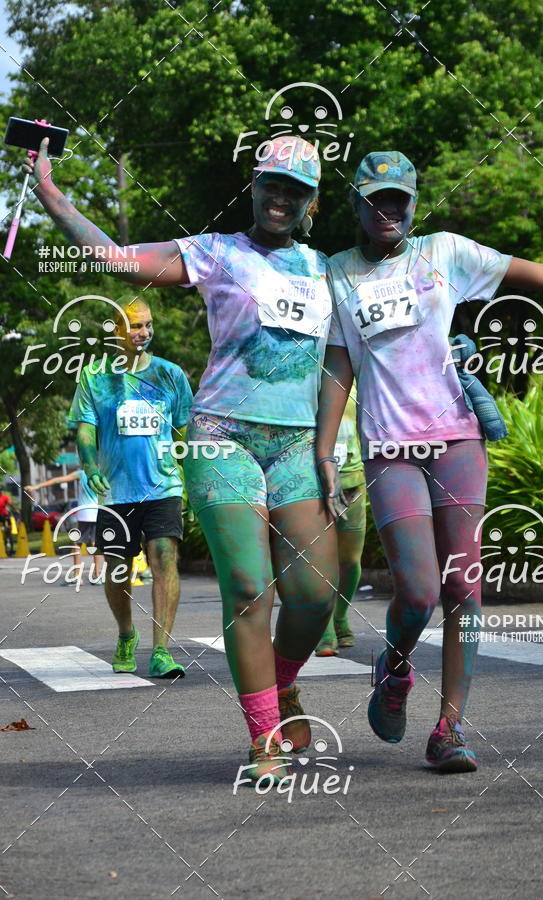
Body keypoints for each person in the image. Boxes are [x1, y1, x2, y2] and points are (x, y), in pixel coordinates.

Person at [24, 135, 340, 781]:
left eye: (296, 190)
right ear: (254, 187)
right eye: (271, 185)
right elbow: (119, 260)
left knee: (313, 594)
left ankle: (283, 682)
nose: (281, 198)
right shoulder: (217, 251)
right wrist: (51, 191)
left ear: (312, 202)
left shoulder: (329, 269)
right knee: (250, 590)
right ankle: (263, 743)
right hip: (221, 436)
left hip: (297, 445)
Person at [316, 151, 543, 773]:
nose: (387, 209)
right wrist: (323, 449)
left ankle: (450, 727)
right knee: (417, 591)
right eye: (375, 199)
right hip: (390, 447)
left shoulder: (445, 252)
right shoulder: (338, 273)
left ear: (415, 203)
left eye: (399, 199)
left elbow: (535, 272)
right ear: (358, 205)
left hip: (459, 440)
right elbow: (338, 365)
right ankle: (393, 672)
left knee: (464, 591)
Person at [68, 299, 193, 678]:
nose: (144, 333)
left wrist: (190, 484)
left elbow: (184, 432)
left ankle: (161, 651)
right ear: (116, 330)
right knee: (117, 571)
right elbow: (85, 428)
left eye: (148, 325)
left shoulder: (171, 375)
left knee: (164, 559)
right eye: (135, 326)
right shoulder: (94, 376)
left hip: (164, 485)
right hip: (117, 491)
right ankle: (126, 633)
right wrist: (89, 466)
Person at [315, 388, 365, 656]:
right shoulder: (302, 374)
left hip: (352, 478)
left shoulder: (357, 376)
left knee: (350, 561)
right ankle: (325, 629)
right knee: (321, 561)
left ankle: (340, 615)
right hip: (311, 479)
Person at [25, 469, 105, 581]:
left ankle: (77, 575)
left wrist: (36, 487)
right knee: (94, 544)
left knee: (77, 544)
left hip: (85, 513)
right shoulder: (102, 473)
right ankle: (97, 575)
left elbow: (58, 480)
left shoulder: (83, 473)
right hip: (97, 513)